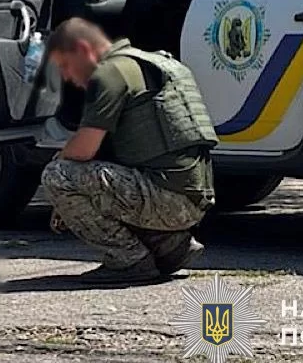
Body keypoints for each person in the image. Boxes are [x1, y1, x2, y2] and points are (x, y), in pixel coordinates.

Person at [41, 17, 217, 284]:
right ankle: (170, 245)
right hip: (193, 199)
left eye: (65, 66)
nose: (67, 77)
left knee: (57, 174)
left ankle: (128, 259)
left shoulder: (110, 73)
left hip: (168, 199)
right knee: (96, 177)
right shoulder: (156, 62)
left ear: (82, 49)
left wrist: (62, 191)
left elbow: (83, 150)